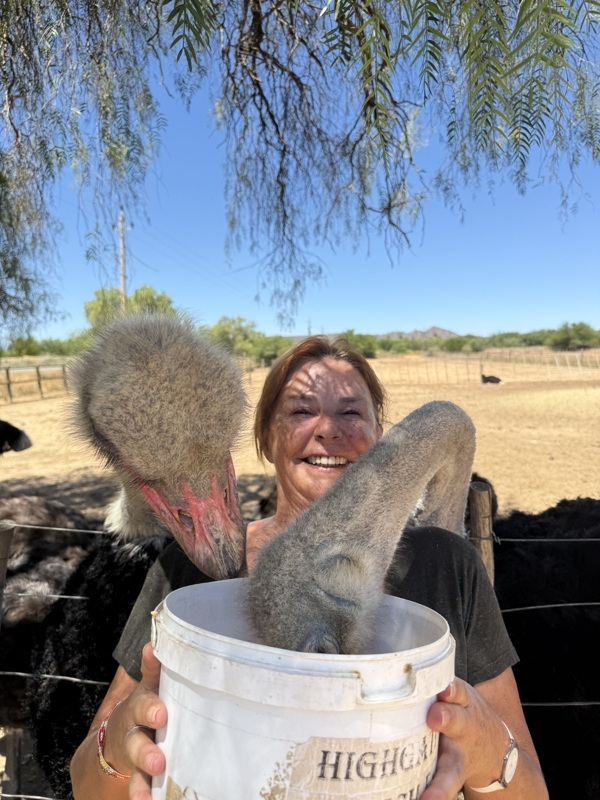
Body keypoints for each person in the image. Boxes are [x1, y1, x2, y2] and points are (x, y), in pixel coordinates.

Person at [70, 335, 549, 800]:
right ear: (265, 438)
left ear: (380, 436)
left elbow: (532, 789)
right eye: (302, 411)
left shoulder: (446, 563)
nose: (328, 430)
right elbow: (87, 786)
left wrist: (486, 750)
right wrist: (121, 743)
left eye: (351, 413)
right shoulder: (185, 575)